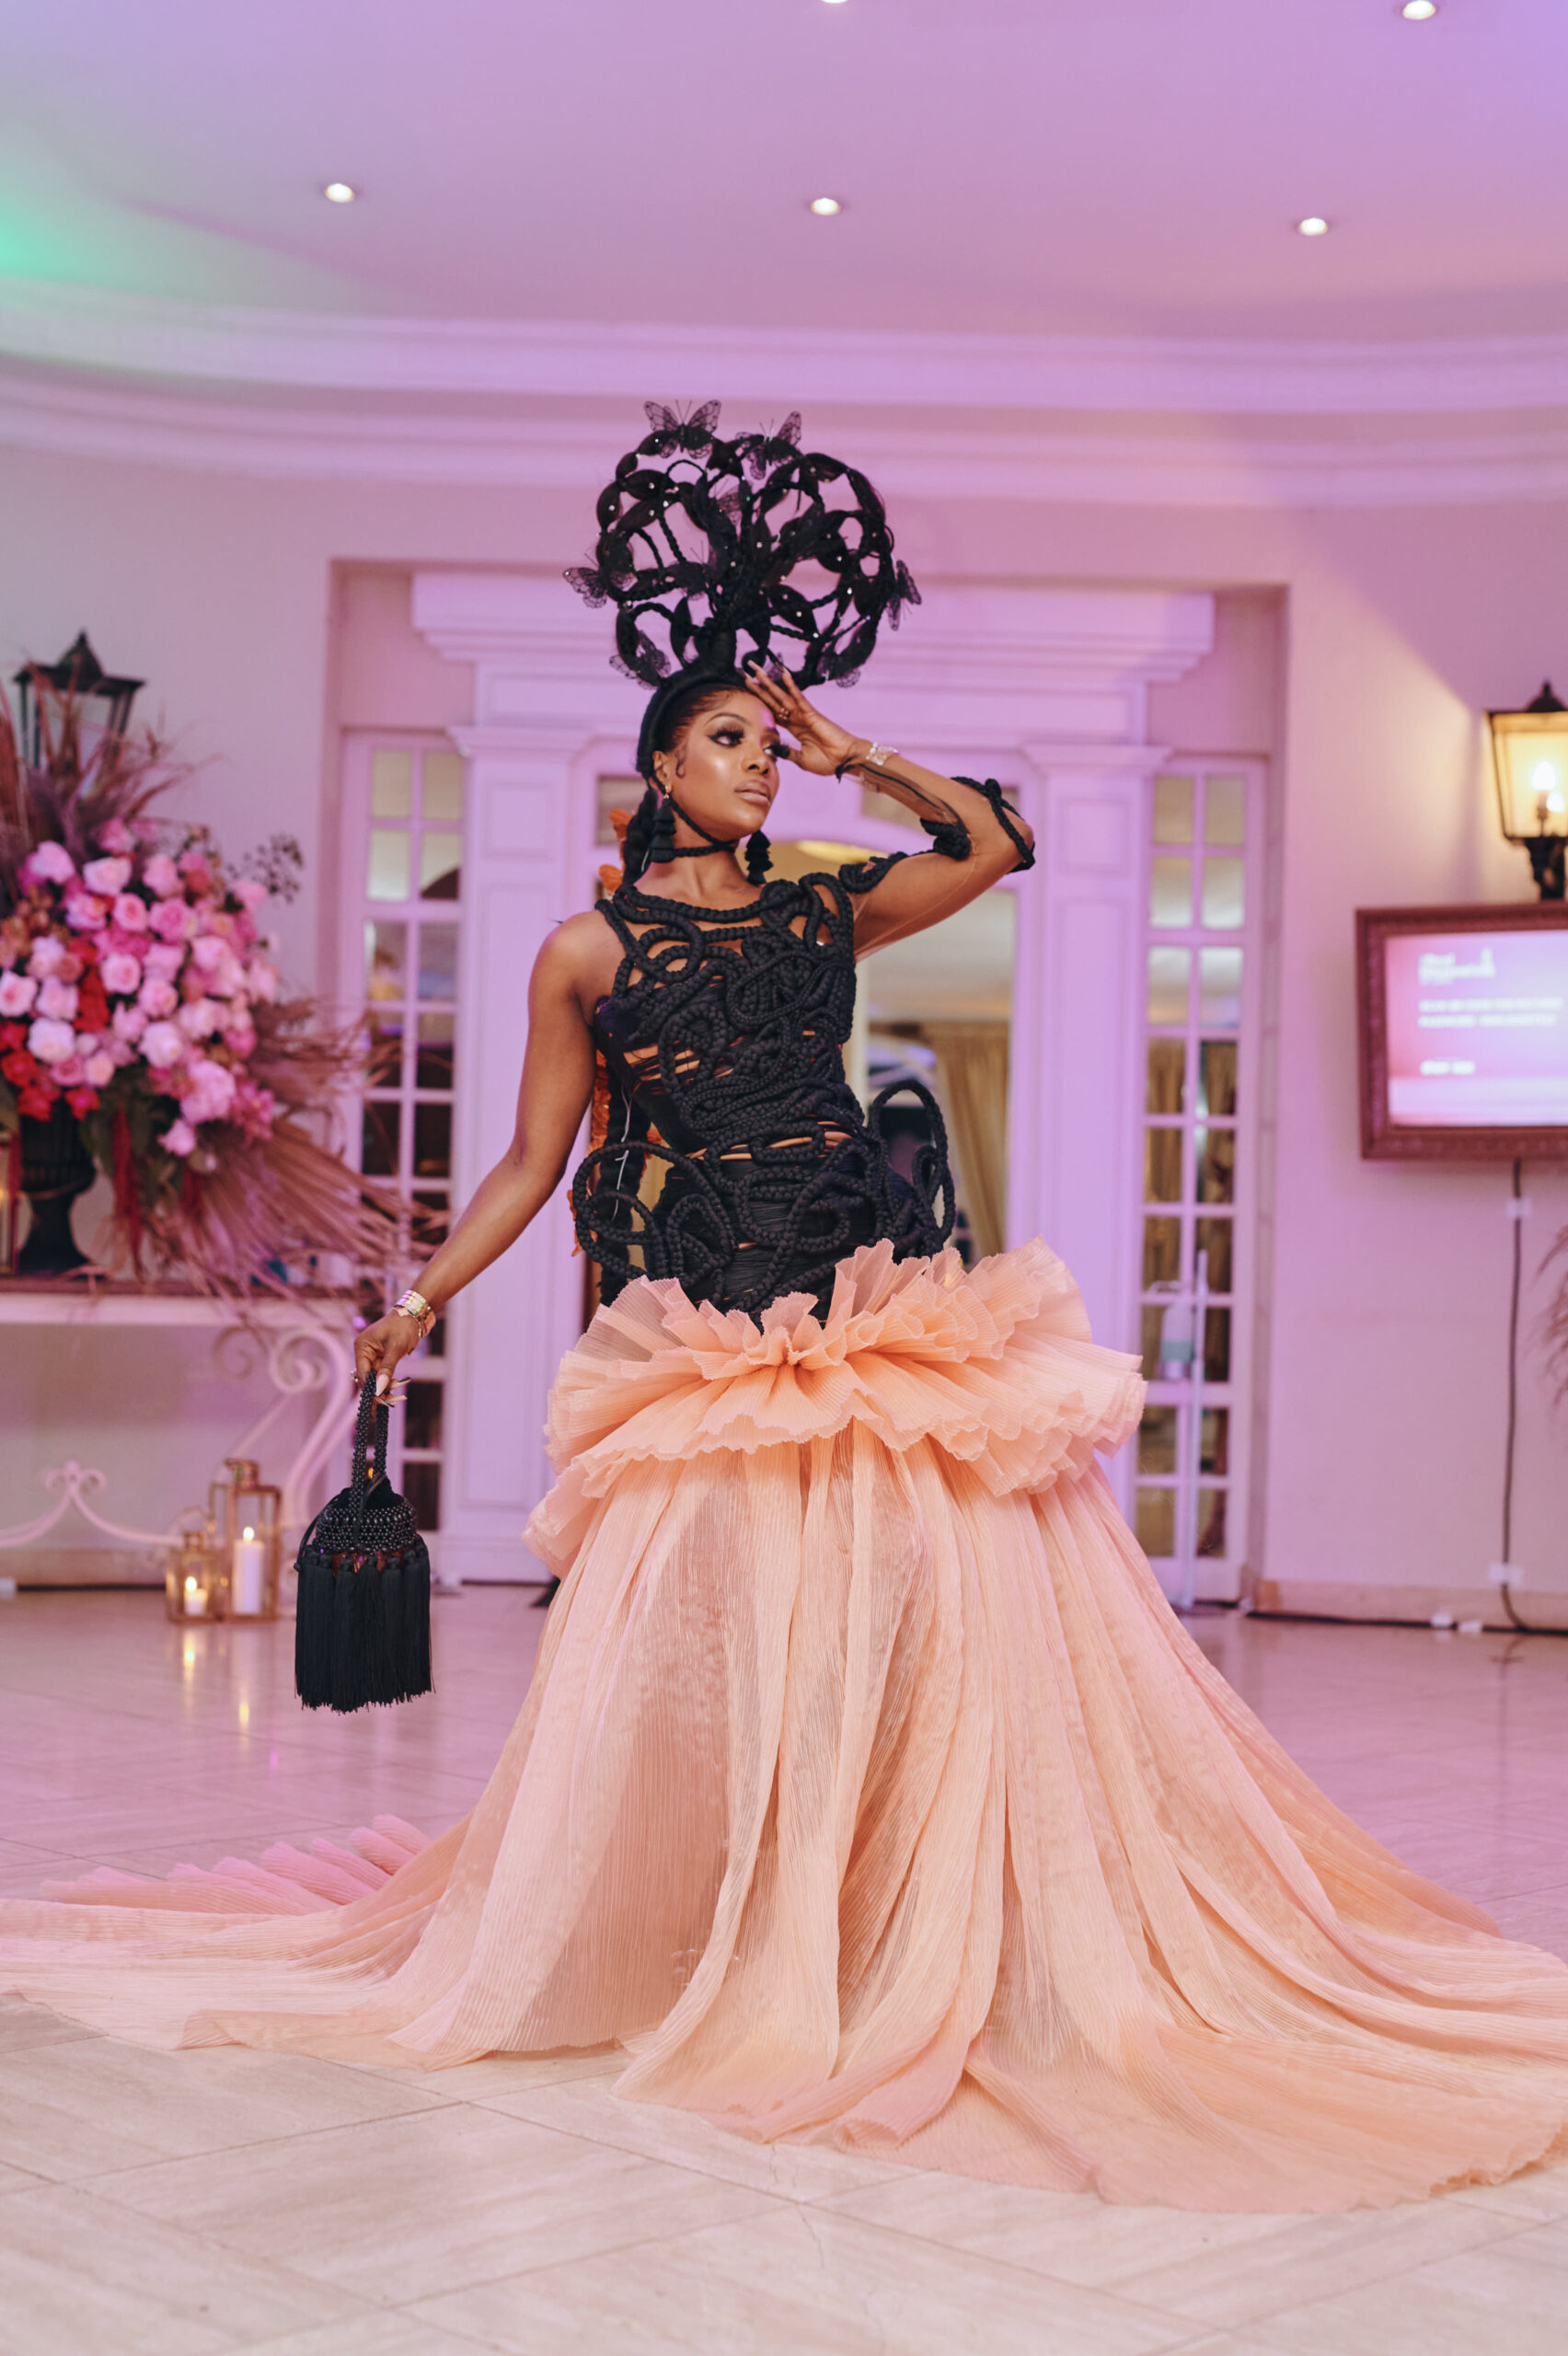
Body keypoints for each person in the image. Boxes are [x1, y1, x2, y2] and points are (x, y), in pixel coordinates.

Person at [5, 407, 1568, 2214]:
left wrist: (858, 749)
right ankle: (731, 1914)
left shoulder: (824, 906)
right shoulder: (588, 950)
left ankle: (905, 1909)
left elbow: (993, 842)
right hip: (707, 1320)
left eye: (770, 740)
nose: (764, 765)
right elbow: (527, 1160)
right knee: (717, 1631)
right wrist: (418, 1294)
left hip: (861, 1283)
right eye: (735, 740)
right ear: (658, 765)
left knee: (934, 1607)